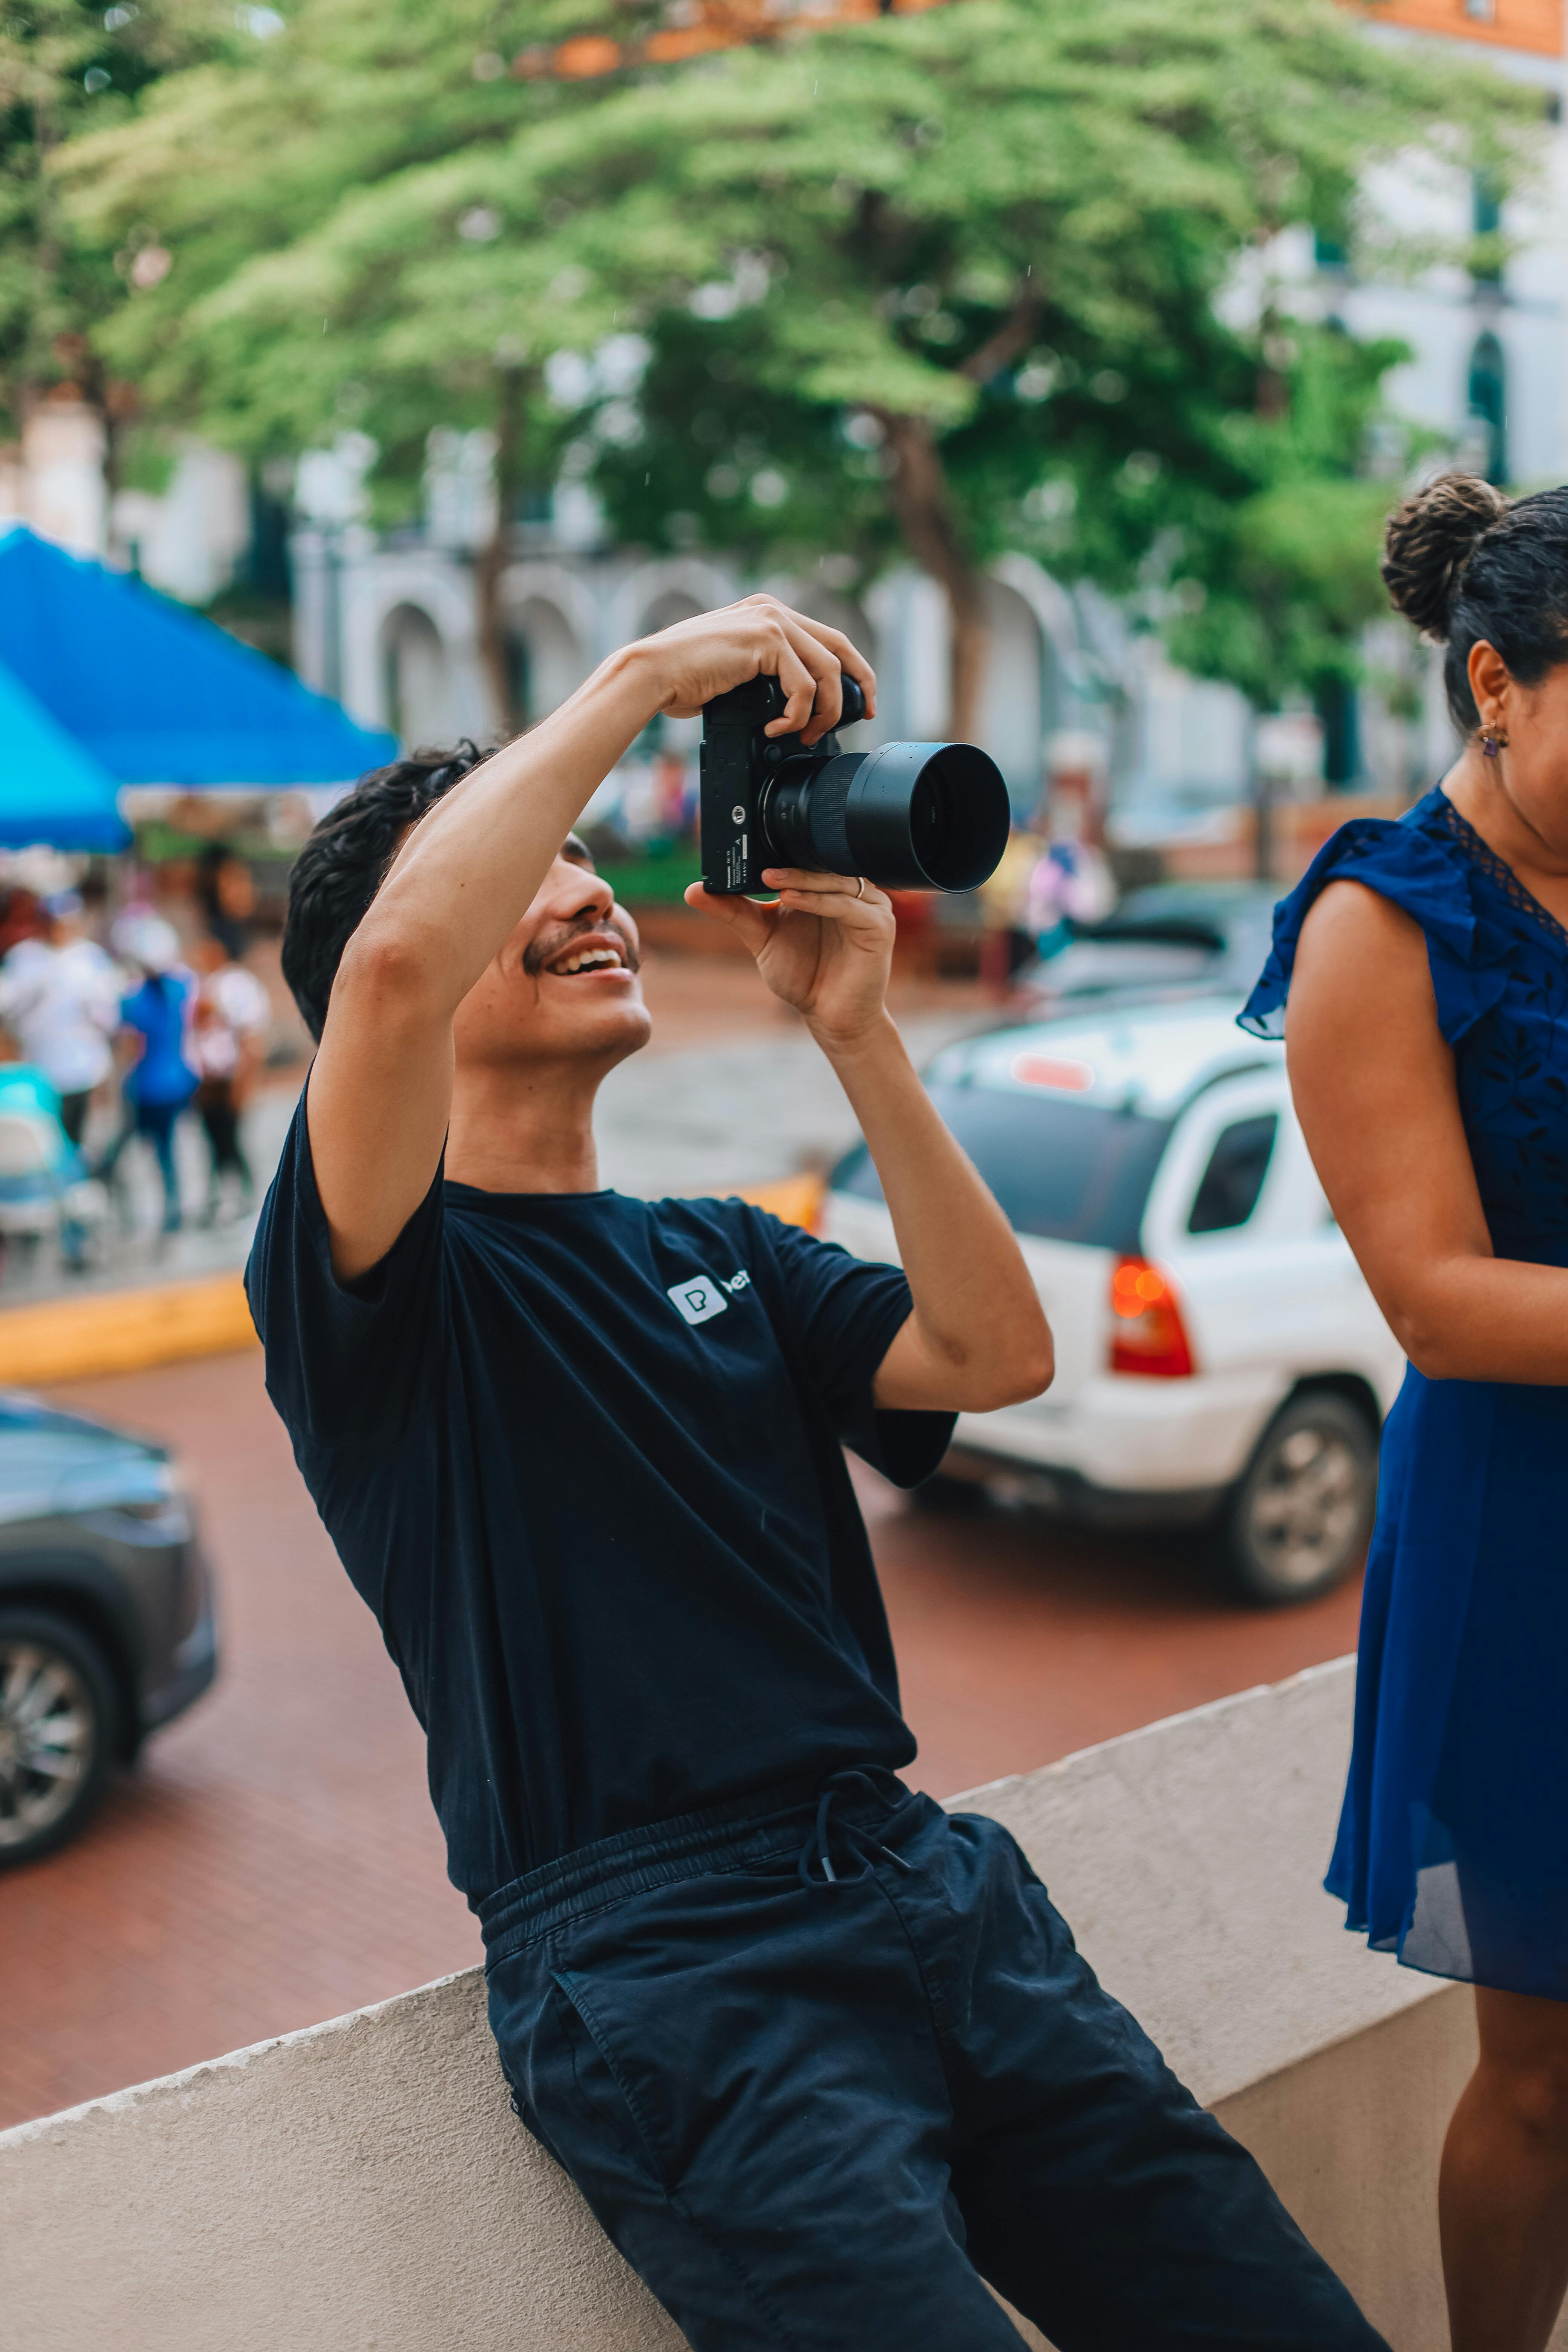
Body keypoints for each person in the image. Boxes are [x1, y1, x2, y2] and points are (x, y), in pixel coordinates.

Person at [251, 594, 1385, 2352]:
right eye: (530, 869)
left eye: (588, 864)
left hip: (919, 1880)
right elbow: (398, 962)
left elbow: (996, 1351)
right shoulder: (376, 1281)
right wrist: (640, 681)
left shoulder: (720, 1246)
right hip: (671, 1967)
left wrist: (857, 1025)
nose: (588, 893)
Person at [1240, 473, 1568, 2352]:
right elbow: (1432, 1296)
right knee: (1541, 2069)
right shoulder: (1384, 920)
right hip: (1528, 1526)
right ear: (1494, 684)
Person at [0, 888, 120, 1145]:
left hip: (82, 1067)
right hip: (38, 1066)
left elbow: (110, 1016)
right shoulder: (24, 957)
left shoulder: (92, 958)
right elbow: (7, 1005)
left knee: (77, 1138)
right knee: (45, 1142)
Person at [104, 916, 199, 1235]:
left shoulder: (133, 1000)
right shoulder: (181, 987)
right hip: (177, 1082)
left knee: (129, 1149)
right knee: (167, 1151)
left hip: (146, 1086)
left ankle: (125, 1210)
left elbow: (125, 1042)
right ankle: (173, 1208)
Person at [188, 934, 270, 1222]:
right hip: (206, 1079)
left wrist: (245, 1079)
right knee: (212, 1139)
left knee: (232, 1137)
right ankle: (220, 1194)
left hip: (229, 1076)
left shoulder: (236, 984)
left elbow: (251, 1036)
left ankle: (247, 1193)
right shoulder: (198, 984)